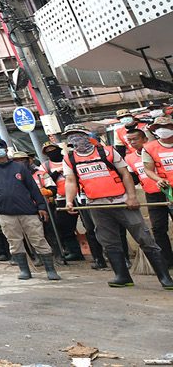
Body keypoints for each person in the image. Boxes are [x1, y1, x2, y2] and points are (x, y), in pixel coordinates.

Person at [62, 123, 173, 289]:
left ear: (88, 136)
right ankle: (122, 276)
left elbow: (125, 175)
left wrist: (132, 197)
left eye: (78, 134)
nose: (75, 139)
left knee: (144, 237)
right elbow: (71, 181)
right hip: (97, 205)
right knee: (109, 242)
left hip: (122, 201)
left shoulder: (108, 152)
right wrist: (69, 201)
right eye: (71, 136)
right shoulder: (69, 159)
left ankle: (165, 278)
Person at [0, 148, 60, 280]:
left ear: (5, 150)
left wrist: (41, 206)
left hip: (28, 211)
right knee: (14, 242)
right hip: (5, 212)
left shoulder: (19, 168)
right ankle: (24, 270)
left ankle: (50, 270)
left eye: (0, 147)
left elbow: (33, 188)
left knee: (39, 239)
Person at [141, 116, 173, 269]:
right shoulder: (149, 147)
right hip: (160, 190)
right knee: (159, 227)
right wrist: (158, 179)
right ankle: (167, 261)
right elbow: (148, 169)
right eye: (159, 127)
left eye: (166, 126)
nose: (163, 129)